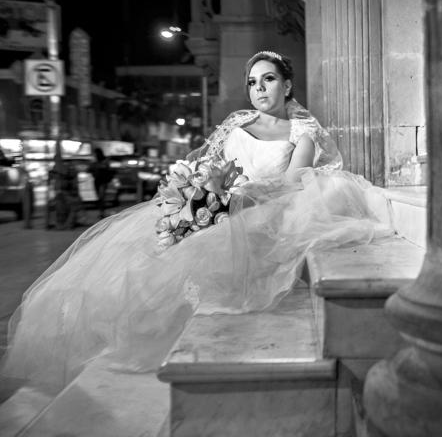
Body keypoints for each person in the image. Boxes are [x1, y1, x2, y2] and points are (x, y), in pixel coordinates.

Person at [0, 51, 392, 400]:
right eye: (252, 82)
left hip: (265, 209)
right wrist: (199, 190)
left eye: (269, 79)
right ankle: (119, 330)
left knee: (199, 252)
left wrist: (237, 197)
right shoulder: (237, 125)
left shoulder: (302, 132)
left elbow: (292, 181)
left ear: (287, 85)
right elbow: (212, 166)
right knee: (145, 249)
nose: (259, 88)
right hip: (223, 202)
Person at [88, 147, 114, 218]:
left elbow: (107, 169)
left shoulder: (104, 161)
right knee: (99, 197)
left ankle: (102, 212)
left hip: (103, 181)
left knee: (101, 196)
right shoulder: (95, 161)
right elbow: (90, 169)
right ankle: (101, 212)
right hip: (97, 180)